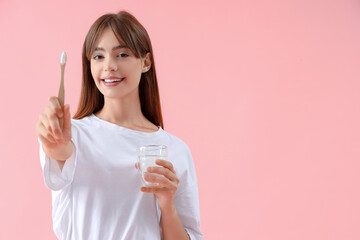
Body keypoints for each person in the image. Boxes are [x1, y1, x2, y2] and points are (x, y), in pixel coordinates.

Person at [36, 11, 203, 240]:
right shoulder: (72, 134)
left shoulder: (175, 150)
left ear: (145, 62)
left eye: (122, 54)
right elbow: (61, 153)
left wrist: (167, 205)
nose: (109, 66)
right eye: (98, 57)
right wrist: (55, 144)